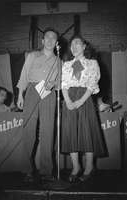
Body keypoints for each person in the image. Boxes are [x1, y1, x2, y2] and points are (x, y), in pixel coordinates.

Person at [17, 27, 60, 182]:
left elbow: (62, 83)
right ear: (42, 40)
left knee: (48, 131)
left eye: (53, 38)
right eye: (47, 37)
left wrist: (54, 82)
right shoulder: (32, 56)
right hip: (32, 91)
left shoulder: (59, 61)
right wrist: (20, 95)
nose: (50, 40)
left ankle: (47, 170)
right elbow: (23, 75)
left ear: (56, 42)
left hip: (49, 94)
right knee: (29, 130)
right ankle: (27, 170)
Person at [61, 35, 105, 182]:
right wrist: (67, 100)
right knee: (72, 133)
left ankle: (89, 166)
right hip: (69, 100)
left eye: (77, 43)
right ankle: (75, 167)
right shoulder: (66, 65)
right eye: (71, 44)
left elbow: (92, 84)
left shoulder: (92, 63)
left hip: (85, 99)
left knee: (87, 133)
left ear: (84, 46)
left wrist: (81, 101)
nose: (73, 46)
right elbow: (64, 85)